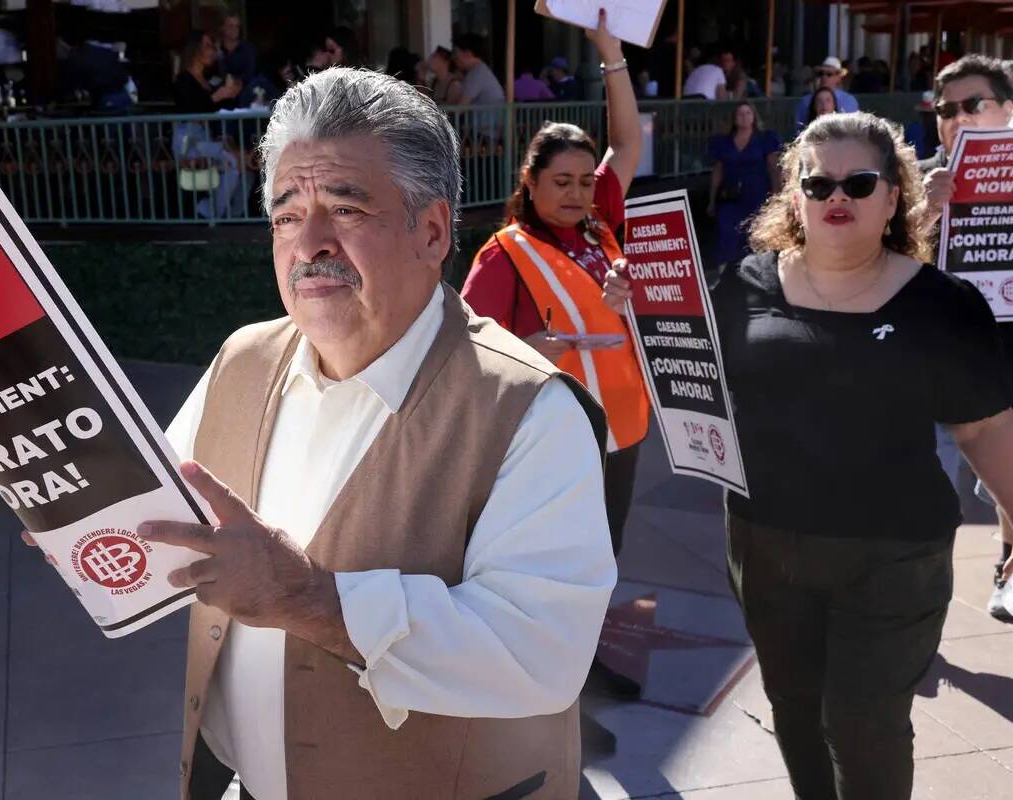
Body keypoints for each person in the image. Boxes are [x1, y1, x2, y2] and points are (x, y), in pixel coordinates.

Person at [82, 65, 615, 800]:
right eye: (287, 214)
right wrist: (84, 527)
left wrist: (306, 596)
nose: (310, 243)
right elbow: (165, 521)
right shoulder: (242, 358)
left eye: (346, 207)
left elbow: (541, 651)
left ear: (431, 231)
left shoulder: (529, 409)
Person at [605, 111, 1013, 799]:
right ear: (795, 196)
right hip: (765, 544)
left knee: (865, 721)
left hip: (895, 555)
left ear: (894, 198)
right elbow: (692, 385)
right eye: (817, 184)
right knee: (794, 708)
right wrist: (643, 317)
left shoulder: (945, 306)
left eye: (858, 182)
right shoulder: (745, 284)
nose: (836, 198)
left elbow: (983, 431)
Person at [461, 10, 648, 700]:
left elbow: (627, 140)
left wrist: (609, 53)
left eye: (582, 180)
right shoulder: (503, 253)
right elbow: (465, 348)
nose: (574, 193)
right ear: (531, 183)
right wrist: (528, 349)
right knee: (556, 561)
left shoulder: (601, 224)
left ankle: (579, 663)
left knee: (603, 554)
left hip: (623, 428)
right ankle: (551, 677)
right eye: (560, 181)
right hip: (554, 438)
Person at [915, 54, 1013, 623]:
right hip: (939, 363)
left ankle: (1006, 564)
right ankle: (913, 603)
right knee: (928, 489)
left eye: (972, 105)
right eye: (945, 109)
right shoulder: (919, 176)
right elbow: (878, 257)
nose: (956, 118)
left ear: (1006, 110)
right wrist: (928, 209)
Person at [171, 31, 243, 219]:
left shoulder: (207, 79)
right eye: (208, 46)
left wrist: (229, 94)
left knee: (238, 163)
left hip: (205, 138)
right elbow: (193, 109)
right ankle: (208, 212)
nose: (212, 51)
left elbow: (214, 107)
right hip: (189, 139)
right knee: (231, 162)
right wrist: (219, 95)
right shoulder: (184, 79)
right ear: (195, 49)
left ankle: (228, 214)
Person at [707, 101, 781, 265]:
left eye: (748, 113)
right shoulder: (723, 141)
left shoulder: (764, 138)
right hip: (730, 195)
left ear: (754, 117)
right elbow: (717, 171)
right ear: (734, 118)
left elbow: (773, 169)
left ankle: (751, 273)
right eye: (740, 114)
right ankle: (725, 276)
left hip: (756, 193)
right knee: (727, 233)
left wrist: (777, 197)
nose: (744, 117)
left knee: (753, 235)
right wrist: (711, 200)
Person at [794, 56, 859, 126]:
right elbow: (799, 129)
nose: (824, 77)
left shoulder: (848, 100)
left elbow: (852, 128)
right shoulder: (805, 101)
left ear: (838, 78)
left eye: (829, 74)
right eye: (821, 73)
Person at [453, 33, 505, 106]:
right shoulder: (478, 71)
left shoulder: (477, 74)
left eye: (456, 53)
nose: (455, 58)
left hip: (488, 117)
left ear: (467, 53)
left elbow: (460, 107)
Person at [214, 13, 257, 88]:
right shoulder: (216, 48)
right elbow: (213, 76)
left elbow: (249, 75)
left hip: (244, 93)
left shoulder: (247, 49)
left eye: (237, 26)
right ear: (222, 27)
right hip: (220, 94)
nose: (235, 29)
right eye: (230, 26)